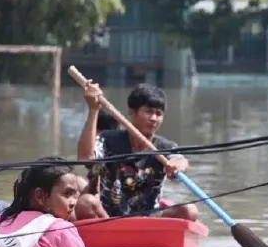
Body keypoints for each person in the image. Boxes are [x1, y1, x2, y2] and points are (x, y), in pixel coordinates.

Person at [74, 81, 197, 221]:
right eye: (149, 112)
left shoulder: (165, 147)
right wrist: (93, 109)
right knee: (86, 203)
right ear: (132, 112)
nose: (154, 119)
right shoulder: (108, 140)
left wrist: (179, 164)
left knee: (190, 211)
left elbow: (180, 160)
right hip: (108, 218)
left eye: (159, 114)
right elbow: (85, 158)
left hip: (151, 218)